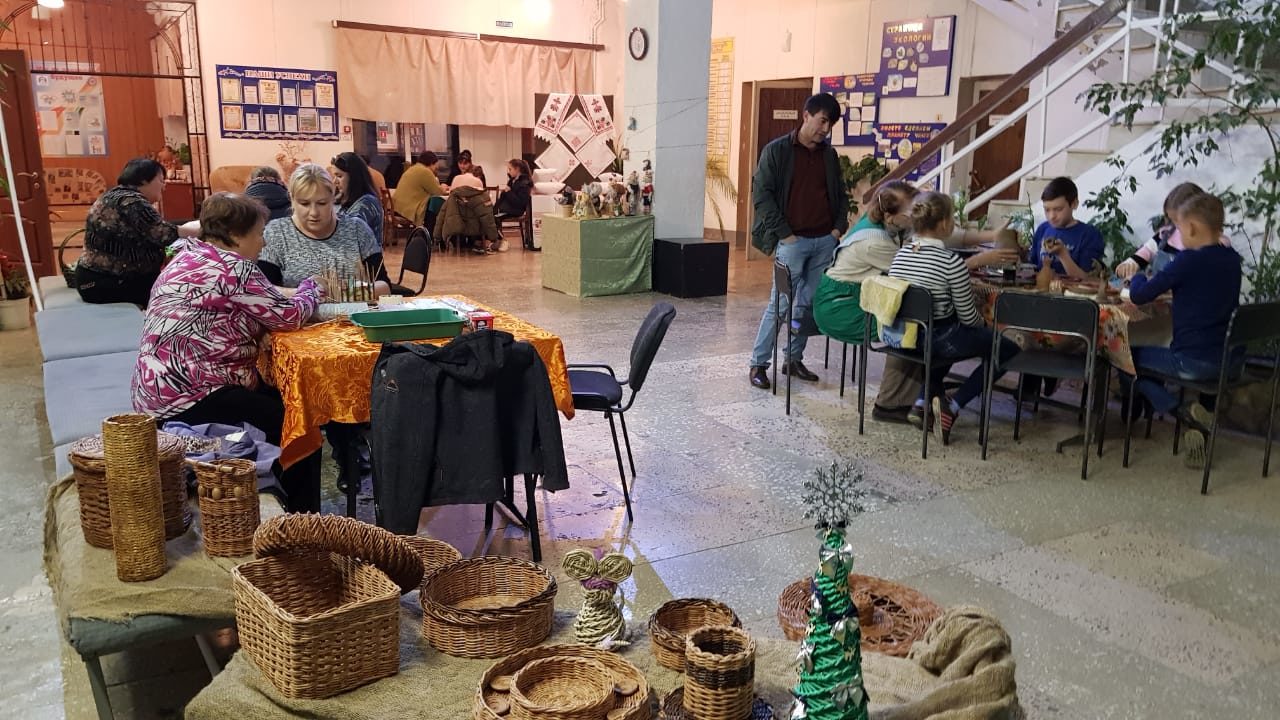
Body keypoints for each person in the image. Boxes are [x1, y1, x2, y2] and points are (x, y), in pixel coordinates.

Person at [131, 192, 325, 511]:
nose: (263, 243)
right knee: (295, 421)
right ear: (235, 235)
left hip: (154, 392)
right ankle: (301, 518)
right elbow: (290, 316)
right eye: (258, 234)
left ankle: (280, 494)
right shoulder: (235, 268)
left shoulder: (185, 256)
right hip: (191, 396)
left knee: (278, 401)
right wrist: (312, 289)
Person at [813, 182, 1020, 422]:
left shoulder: (901, 250)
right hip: (844, 307)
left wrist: (991, 237)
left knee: (925, 325)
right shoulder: (878, 243)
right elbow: (952, 299)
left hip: (904, 325)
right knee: (988, 343)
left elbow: (931, 255)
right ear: (892, 216)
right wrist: (986, 321)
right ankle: (940, 405)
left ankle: (922, 399)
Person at [887, 192, 1020, 444]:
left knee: (950, 335)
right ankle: (953, 406)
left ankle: (921, 403)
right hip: (936, 340)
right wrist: (989, 326)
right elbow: (969, 317)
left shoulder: (902, 254)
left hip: (903, 336)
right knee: (1006, 348)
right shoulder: (952, 263)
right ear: (944, 224)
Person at [1126, 192, 1242, 468]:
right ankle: (1199, 425)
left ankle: (1185, 412)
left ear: (1190, 227)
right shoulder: (1231, 260)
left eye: (1178, 226)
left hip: (1191, 362)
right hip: (1229, 362)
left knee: (1120, 357)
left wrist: (1136, 276)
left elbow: (1140, 295)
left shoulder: (1187, 260)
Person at [747, 93, 850, 390]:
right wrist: (785, 234)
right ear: (806, 116)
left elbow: (840, 195)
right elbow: (762, 196)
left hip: (824, 241)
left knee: (807, 305)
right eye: (822, 121)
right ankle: (758, 363)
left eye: (830, 125)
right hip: (792, 242)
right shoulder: (777, 151)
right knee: (780, 304)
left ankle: (793, 359)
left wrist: (837, 230)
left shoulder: (829, 156)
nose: (825, 129)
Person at [76, 158, 200, 307]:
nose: (164, 186)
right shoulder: (132, 201)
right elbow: (163, 234)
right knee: (184, 292)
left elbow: (153, 228)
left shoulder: (113, 195)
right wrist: (203, 228)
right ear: (143, 180)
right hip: (107, 282)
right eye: (161, 180)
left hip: (93, 279)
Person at [259, 163, 390, 296]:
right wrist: (309, 294)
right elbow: (262, 290)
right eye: (304, 204)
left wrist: (343, 292)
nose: (314, 212)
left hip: (350, 308)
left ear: (333, 198)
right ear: (292, 199)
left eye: (322, 203)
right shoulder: (277, 233)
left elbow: (384, 287)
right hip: (301, 309)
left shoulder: (357, 229)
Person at [1116, 182, 1232, 279]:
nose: (1176, 226)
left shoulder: (1217, 243)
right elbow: (1142, 255)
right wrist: (1128, 265)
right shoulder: (1165, 235)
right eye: (1172, 220)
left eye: (1178, 220)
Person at [1030, 177, 1105, 280]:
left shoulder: (1089, 235)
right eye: (1047, 210)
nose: (1051, 216)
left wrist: (1063, 255)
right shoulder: (1043, 229)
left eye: (1058, 209)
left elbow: (1087, 280)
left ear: (1074, 204)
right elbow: (1033, 267)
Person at [435, 169, 501, 254]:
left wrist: (437, 237)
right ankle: (479, 243)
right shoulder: (479, 190)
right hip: (476, 227)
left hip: (455, 225)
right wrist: (494, 238)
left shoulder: (455, 184)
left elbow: (441, 215)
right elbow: (487, 218)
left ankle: (459, 244)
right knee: (486, 216)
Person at [332, 151, 384, 244]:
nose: (334, 181)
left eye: (339, 176)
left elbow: (347, 237)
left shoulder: (367, 203)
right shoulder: (342, 198)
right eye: (334, 176)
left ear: (354, 177)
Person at [393, 151, 448, 226]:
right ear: (432, 163)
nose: (436, 169)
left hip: (398, 208)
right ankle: (429, 232)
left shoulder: (412, 169)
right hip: (408, 211)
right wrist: (444, 187)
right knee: (433, 212)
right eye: (436, 167)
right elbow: (438, 192)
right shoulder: (425, 171)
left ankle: (427, 231)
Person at [495, 158, 534, 246]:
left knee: (493, 218)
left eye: (510, 169)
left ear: (517, 169)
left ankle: (501, 241)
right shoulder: (512, 180)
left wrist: (508, 192)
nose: (508, 172)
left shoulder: (524, 183)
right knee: (488, 216)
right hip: (507, 207)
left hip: (515, 210)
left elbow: (520, 203)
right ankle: (497, 241)